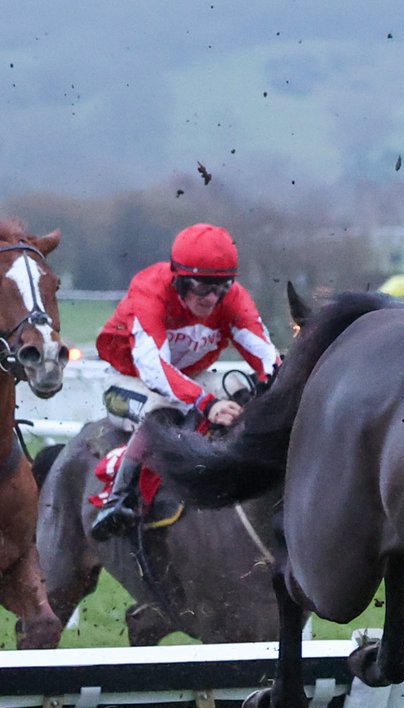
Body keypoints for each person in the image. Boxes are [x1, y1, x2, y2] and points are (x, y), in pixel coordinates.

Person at [89, 222, 281, 540]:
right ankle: (117, 500)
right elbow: (155, 371)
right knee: (162, 411)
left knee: (242, 389)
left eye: (221, 287)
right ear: (178, 278)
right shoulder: (150, 291)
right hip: (131, 380)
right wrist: (207, 404)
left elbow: (267, 360)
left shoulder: (232, 298)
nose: (211, 299)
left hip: (190, 377)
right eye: (202, 286)